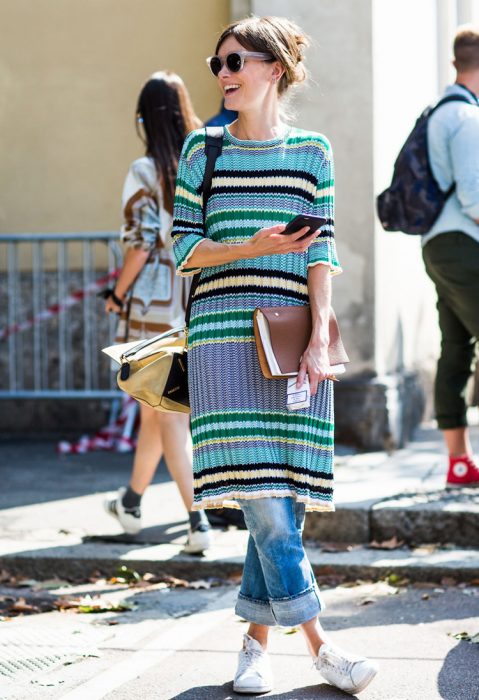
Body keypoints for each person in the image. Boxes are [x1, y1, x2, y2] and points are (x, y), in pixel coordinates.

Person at [171, 15, 378, 695]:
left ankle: (253, 647)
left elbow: (318, 252)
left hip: (291, 340)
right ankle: (322, 645)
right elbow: (184, 253)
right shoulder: (204, 150)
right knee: (261, 497)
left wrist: (322, 332)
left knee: (280, 498)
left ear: (274, 69)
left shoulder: (312, 151)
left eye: (234, 62)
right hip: (222, 340)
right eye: (218, 64)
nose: (223, 75)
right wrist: (253, 247)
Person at [103, 71, 212, 554]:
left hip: (152, 310)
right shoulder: (204, 165)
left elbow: (141, 243)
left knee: (167, 418)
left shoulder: (144, 171)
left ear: (144, 118)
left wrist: (116, 292)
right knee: (154, 410)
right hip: (198, 303)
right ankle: (131, 502)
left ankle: (198, 522)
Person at [423, 25, 479, 488]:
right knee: (458, 350)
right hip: (463, 245)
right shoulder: (465, 117)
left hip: (438, 245)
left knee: (456, 349)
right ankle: (460, 461)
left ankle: (459, 462)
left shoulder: (440, 110)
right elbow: (476, 197)